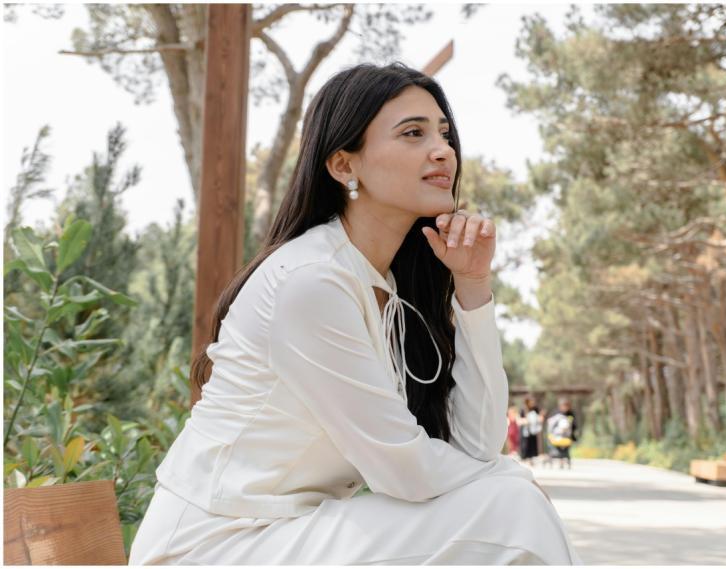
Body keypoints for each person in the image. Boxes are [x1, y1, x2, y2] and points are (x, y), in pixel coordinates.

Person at [128, 63, 580, 565]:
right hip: (216, 547)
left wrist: (473, 286)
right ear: (345, 166)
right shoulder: (311, 281)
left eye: (444, 134)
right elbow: (404, 471)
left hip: (293, 534)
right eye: (413, 133)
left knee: (506, 501)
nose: (443, 151)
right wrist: (510, 479)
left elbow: (478, 444)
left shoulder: (384, 285)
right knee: (509, 505)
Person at [547, 398, 579, 470]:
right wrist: (551, 435)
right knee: (556, 448)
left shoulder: (571, 414)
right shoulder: (555, 413)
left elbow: (574, 426)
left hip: (566, 436)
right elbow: (550, 425)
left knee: (565, 448)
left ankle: (562, 460)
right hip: (556, 435)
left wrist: (572, 436)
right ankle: (559, 460)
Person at [519, 396, 542, 466]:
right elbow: (520, 420)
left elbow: (539, 417)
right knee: (526, 445)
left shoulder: (535, 409)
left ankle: (531, 459)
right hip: (526, 430)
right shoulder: (523, 409)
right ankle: (526, 459)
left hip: (533, 430)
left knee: (533, 445)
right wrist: (526, 421)